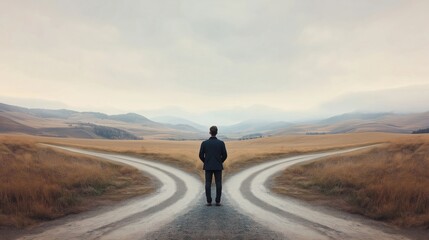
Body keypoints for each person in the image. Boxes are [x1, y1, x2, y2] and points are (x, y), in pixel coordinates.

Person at [199, 126, 227, 206]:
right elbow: (225, 155)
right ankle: (218, 201)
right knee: (218, 183)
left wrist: (206, 161)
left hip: (208, 166)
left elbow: (200, 155)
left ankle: (209, 201)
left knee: (208, 183)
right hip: (218, 166)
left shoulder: (204, 143)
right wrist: (220, 162)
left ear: (210, 132)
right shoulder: (221, 143)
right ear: (217, 132)